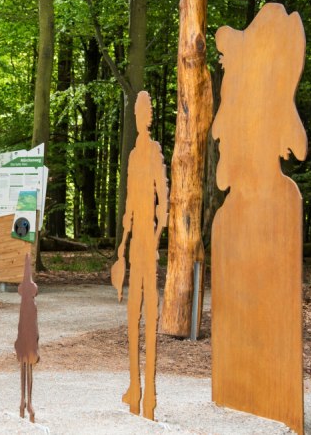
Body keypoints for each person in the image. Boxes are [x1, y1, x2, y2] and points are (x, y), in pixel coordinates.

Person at [111, 91, 168, 420]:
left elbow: (164, 197)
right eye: (137, 112)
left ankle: (150, 395)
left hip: (148, 241)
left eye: (144, 112)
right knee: (134, 313)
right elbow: (131, 203)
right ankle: (135, 387)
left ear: (149, 116)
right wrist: (123, 244)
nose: (141, 117)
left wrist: (155, 237)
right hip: (136, 243)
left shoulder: (154, 151)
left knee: (149, 309)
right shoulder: (133, 154)